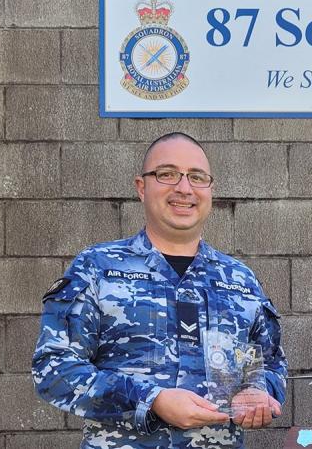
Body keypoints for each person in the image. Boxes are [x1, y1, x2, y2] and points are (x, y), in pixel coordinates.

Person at [32, 132, 287, 448]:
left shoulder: (240, 280)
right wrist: (151, 400)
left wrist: (257, 391)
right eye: (167, 174)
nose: (184, 188)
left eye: (197, 177)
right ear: (141, 187)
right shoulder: (97, 268)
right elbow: (54, 370)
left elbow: (269, 363)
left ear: (210, 189)